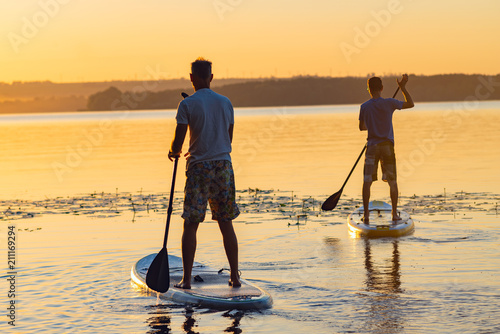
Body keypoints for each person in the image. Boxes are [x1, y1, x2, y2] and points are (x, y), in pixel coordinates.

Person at [168, 57, 241, 288]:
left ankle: (187, 280)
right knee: (225, 222)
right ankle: (235, 277)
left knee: (191, 223)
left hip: (199, 169)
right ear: (211, 77)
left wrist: (173, 151)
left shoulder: (187, 105)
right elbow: (227, 139)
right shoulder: (226, 102)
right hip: (224, 167)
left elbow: (178, 143)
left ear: (191, 78)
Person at [359, 74, 414, 224]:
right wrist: (403, 88)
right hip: (387, 147)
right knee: (393, 181)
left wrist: (373, 123)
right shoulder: (390, 103)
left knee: (367, 181)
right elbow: (411, 104)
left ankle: (366, 215)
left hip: (371, 146)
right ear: (382, 88)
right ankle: (394, 214)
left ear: (369, 89)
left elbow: (362, 127)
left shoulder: (364, 107)